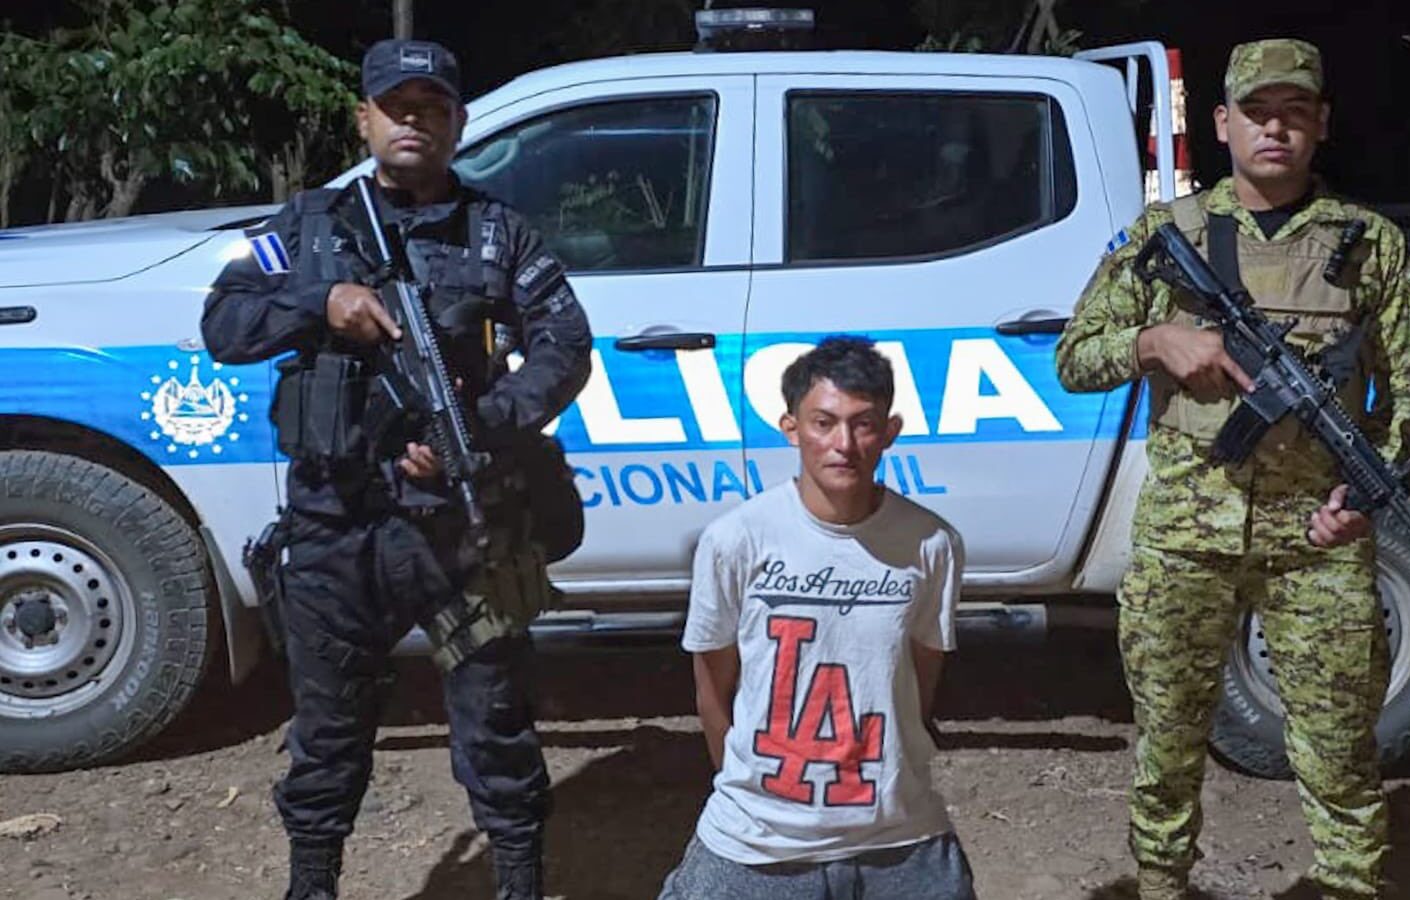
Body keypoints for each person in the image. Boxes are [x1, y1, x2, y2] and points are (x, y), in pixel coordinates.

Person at [201, 38, 592, 900]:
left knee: (496, 723)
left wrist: (479, 430)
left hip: (463, 527)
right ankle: (314, 883)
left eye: (433, 106)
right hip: (336, 526)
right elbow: (223, 324)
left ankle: (520, 882)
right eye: (396, 105)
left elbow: (566, 347)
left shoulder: (499, 233)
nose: (414, 120)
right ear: (364, 119)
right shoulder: (305, 229)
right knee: (329, 731)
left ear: (456, 123)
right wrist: (322, 302)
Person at [1055, 39, 1410, 900]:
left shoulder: (1369, 245)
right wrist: (1155, 340)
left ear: (1321, 126)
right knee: (1168, 737)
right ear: (1222, 123)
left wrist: (1363, 493)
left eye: (1295, 113)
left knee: (1341, 745)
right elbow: (1076, 358)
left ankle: (1348, 886)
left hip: (1318, 541)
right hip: (1186, 537)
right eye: (1258, 112)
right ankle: (1162, 884)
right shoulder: (1169, 236)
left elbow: (1407, 397)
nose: (1276, 129)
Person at [658, 336, 976, 900]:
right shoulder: (736, 540)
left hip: (898, 832)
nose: (844, 444)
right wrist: (760, 795)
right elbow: (713, 692)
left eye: (864, 424)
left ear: (892, 430)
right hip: (758, 837)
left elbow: (918, 685)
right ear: (790, 427)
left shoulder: (931, 543)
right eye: (824, 423)